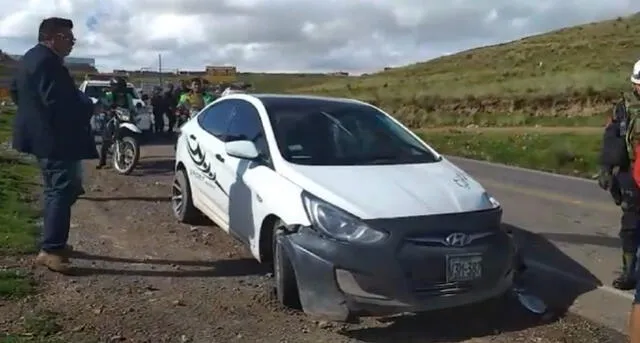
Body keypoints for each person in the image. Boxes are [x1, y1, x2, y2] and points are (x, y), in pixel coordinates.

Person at [10, 17, 97, 273]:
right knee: (61, 190)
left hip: (43, 138)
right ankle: (51, 248)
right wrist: (88, 105)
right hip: (56, 140)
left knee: (60, 189)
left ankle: (52, 241)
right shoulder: (48, 62)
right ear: (53, 37)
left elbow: (16, 91)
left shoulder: (30, 58)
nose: (72, 43)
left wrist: (34, 116)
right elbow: (60, 104)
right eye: (69, 38)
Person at [95, 76, 134, 169]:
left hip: (124, 117)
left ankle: (129, 152)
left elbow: (131, 106)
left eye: (122, 86)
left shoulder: (127, 96)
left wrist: (133, 111)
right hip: (112, 116)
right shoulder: (109, 94)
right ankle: (102, 161)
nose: (120, 89)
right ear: (113, 86)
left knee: (132, 131)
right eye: (118, 86)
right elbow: (103, 101)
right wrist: (106, 108)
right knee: (106, 138)